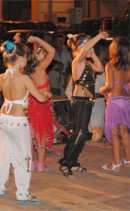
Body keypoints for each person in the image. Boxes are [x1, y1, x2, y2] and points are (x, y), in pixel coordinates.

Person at [0, 41, 51, 203]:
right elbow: (40, 98)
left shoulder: (1, 77)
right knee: (22, 156)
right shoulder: (23, 78)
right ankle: (22, 192)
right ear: (22, 59)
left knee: (3, 155)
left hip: (2, 119)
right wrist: (47, 95)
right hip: (17, 121)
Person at [58, 32, 109, 177]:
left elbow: (100, 68)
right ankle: (66, 162)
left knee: (83, 134)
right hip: (79, 101)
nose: (92, 48)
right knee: (79, 133)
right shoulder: (77, 62)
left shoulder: (87, 63)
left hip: (87, 102)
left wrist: (92, 54)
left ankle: (73, 162)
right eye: (88, 45)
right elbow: (86, 48)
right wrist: (98, 36)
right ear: (80, 47)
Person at [21, 35, 56, 173]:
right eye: (41, 51)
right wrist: (37, 38)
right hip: (40, 104)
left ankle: (30, 163)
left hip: (31, 103)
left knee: (32, 134)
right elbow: (52, 50)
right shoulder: (41, 67)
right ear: (34, 55)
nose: (45, 53)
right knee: (40, 134)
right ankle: (40, 164)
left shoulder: (26, 70)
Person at [99, 37, 130, 171]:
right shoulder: (128, 66)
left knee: (113, 132)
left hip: (115, 101)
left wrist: (102, 90)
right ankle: (128, 160)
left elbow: (110, 85)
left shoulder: (110, 65)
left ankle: (116, 163)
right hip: (126, 101)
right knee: (124, 131)